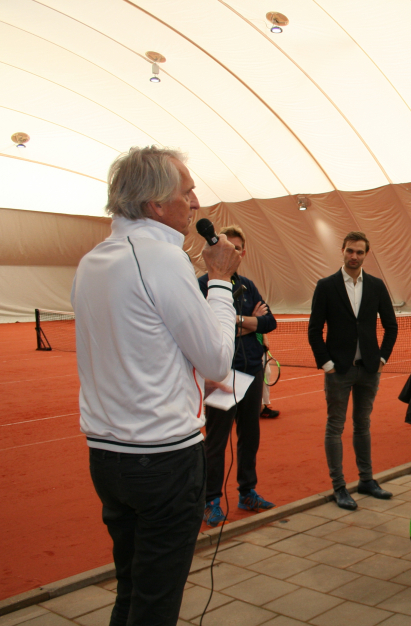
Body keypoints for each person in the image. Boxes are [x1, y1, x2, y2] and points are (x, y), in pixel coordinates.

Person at [73, 146, 241, 624]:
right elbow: (216, 360)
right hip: (163, 459)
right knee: (155, 604)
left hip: (107, 456)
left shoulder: (92, 261)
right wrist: (220, 281)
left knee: (131, 591)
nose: (195, 201)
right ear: (155, 204)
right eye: (186, 192)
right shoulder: (162, 260)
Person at [308, 231, 398, 511]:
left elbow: (391, 326)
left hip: (369, 370)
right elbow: (314, 329)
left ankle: (367, 480)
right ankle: (339, 487)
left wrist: (382, 359)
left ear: (366, 254)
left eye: (359, 252)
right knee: (335, 426)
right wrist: (327, 364)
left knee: (363, 424)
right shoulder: (326, 286)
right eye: (350, 251)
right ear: (342, 251)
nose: (354, 256)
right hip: (339, 370)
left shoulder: (376, 286)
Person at [199, 226, 277, 527]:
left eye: (238, 248)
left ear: (243, 253)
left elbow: (269, 322)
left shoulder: (248, 285)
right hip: (222, 376)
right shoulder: (202, 286)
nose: (233, 252)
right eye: (228, 247)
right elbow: (206, 329)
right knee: (217, 441)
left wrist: (239, 321)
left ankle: (247, 492)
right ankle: (211, 501)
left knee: (250, 436)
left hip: (253, 371)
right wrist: (249, 321)